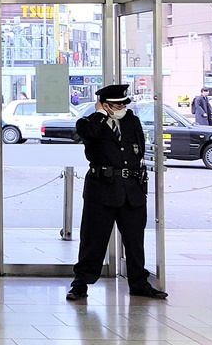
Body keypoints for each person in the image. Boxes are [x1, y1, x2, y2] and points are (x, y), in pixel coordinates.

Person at [66, 84, 168, 301]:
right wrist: (101, 115)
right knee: (93, 240)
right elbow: (88, 135)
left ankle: (139, 283)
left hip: (131, 190)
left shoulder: (131, 121)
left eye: (123, 103)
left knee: (134, 241)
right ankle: (80, 284)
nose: (121, 107)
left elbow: (137, 149)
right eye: (115, 105)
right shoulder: (89, 123)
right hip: (102, 190)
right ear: (104, 105)